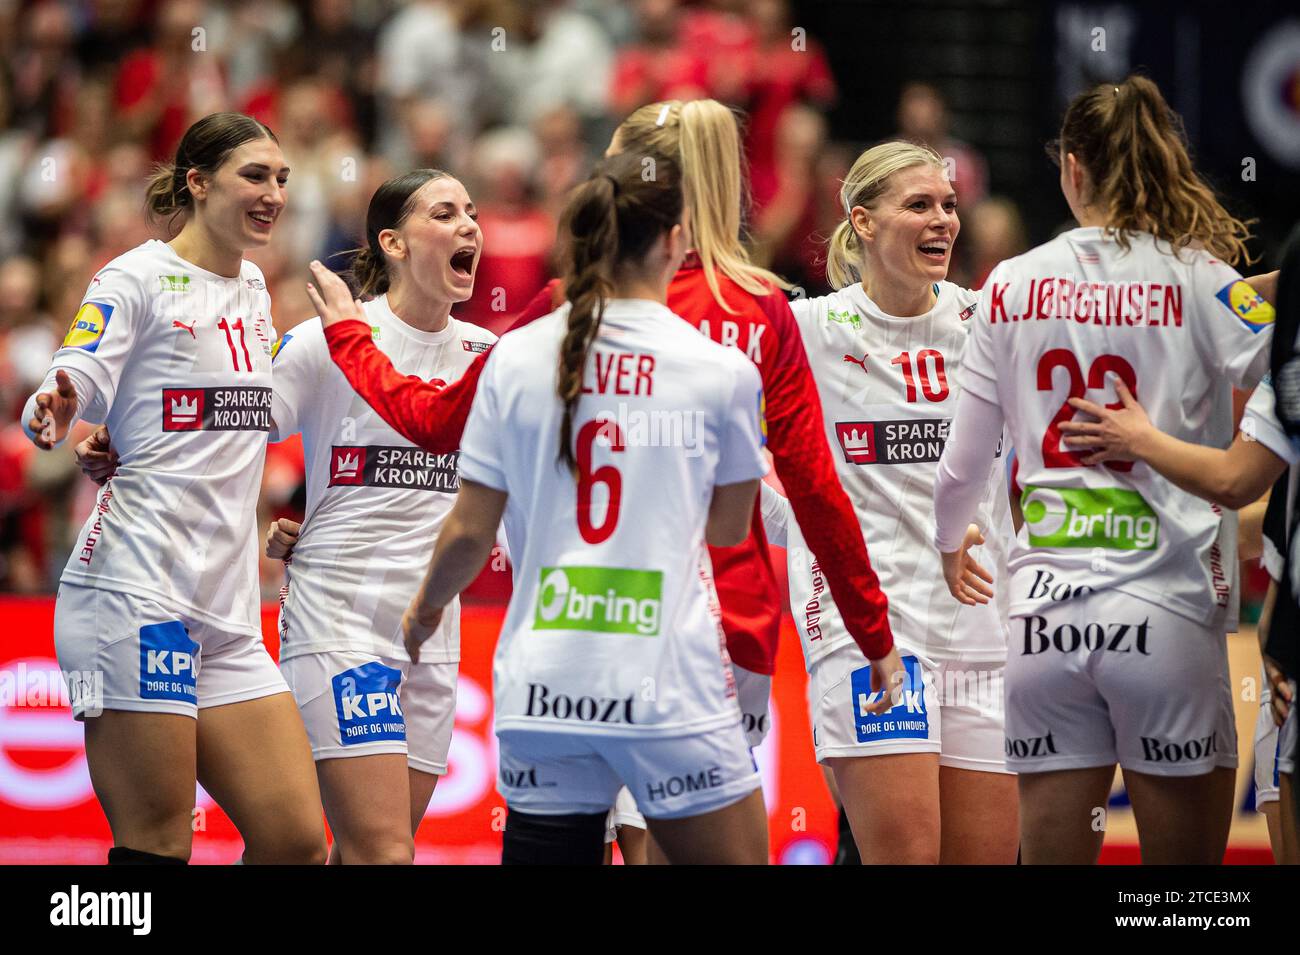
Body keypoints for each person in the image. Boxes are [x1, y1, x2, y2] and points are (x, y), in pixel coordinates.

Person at [318, 98, 903, 754]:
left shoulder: (569, 305)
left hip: (583, 620)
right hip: (729, 630)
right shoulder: (765, 308)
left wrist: (349, 335)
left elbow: (434, 423)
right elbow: (817, 492)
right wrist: (873, 632)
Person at [311, 150, 801, 864]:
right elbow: (730, 530)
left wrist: (420, 614)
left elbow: (469, 529)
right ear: (673, 245)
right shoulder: (719, 366)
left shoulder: (513, 355)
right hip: (664, 669)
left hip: (546, 676)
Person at [75, 168, 497, 864]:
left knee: (348, 851)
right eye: (446, 214)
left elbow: (496, 491)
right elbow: (232, 431)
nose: (470, 228)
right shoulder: (326, 340)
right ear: (391, 241)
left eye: (472, 214)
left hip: (433, 627)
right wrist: (127, 430)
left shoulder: (489, 355)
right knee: (384, 852)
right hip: (340, 617)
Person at [932, 75, 1277, 864]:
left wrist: (954, 541)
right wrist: (1251, 453)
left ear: (1074, 168)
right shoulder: (1202, 280)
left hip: (1043, 624)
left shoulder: (1009, 283)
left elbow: (960, 471)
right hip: (1167, 616)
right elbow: (1287, 363)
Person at [21, 112, 326, 865]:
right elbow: (79, 373)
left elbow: (187, 408)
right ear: (197, 181)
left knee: (293, 841)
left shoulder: (255, 286)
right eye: (255, 175)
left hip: (227, 609)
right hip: (132, 593)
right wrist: (57, 406)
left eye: (282, 178)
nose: (274, 193)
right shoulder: (134, 277)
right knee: (158, 845)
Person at [760, 140, 1018, 864]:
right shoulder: (809, 328)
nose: (942, 220)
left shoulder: (987, 322)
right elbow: (720, 428)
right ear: (863, 222)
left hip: (981, 633)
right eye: (919, 206)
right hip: (870, 634)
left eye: (948, 205)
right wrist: (798, 529)